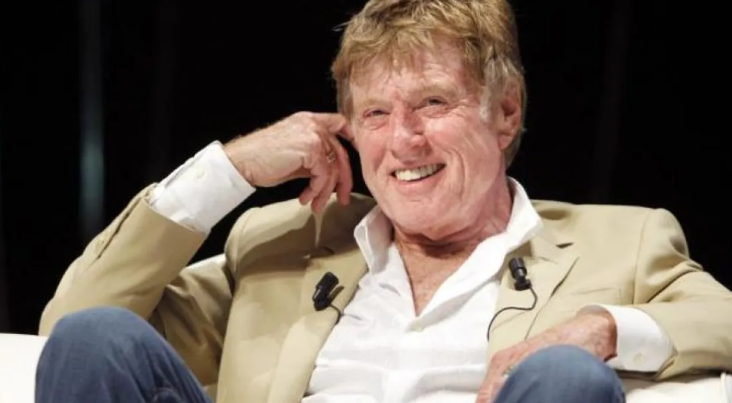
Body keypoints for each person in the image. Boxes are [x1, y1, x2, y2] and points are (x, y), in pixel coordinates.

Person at [35, 0, 732, 402]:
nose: (403, 139)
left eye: (433, 103)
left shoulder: (622, 243)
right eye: (374, 114)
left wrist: (601, 328)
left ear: (506, 112)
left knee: (564, 376)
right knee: (97, 336)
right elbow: (73, 330)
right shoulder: (285, 246)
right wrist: (230, 168)